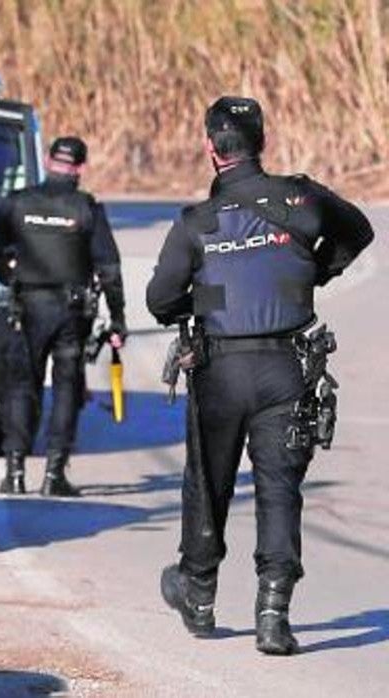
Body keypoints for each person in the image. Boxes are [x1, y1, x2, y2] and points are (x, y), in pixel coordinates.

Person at [146, 96, 374, 655]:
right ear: (262, 142)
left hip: (219, 370)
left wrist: (197, 299)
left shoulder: (196, 223)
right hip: (286, 369)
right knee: (279, 491)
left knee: (209, 483)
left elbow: (158, 300)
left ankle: (199, 597)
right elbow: (359, 232)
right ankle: (274, 613)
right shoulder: (302, 198)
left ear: (209, 146)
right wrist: (314, 272)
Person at [0, 136, 127, 497]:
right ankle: (54, 474)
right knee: (66, 388)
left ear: (47, 161)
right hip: (70, 313)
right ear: (79, 168)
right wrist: (118, 319)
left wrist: (8, 276)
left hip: (27, 307)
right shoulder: (86, 208)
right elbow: (108, 267)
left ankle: (15, 472)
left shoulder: (17, 203)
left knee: (21, 388)